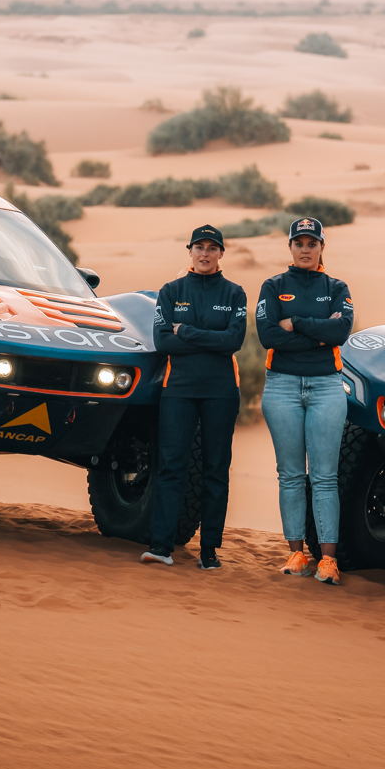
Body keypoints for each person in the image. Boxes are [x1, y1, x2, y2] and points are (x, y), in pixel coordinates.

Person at [138, 225, 247, 569]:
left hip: (221, 392)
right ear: (190, 251)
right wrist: (207, 337)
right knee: (172, 467)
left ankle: (209, 552)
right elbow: (162, 341)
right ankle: (161, 546)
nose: (204, 254)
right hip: (179, 390)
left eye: (211, 248)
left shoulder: (235, 293)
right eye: (199, 247)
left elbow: (233, 341)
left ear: (220, 254)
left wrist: (185, 331)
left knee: (216, 470)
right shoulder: (171, 292)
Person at [256, 216, 354, 586]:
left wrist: (294, 322)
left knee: (326, 477)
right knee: (291, 475)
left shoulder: (336, 287)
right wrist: (318, 333)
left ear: (321, 248)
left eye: (312, 243)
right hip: (281, 386)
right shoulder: (273, 286)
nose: (306, 249)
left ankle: (328, 560)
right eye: (300, 243)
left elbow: (341, 330)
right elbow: (268, 336)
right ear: (291, 247)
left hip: (327, 386)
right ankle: (296, 553)